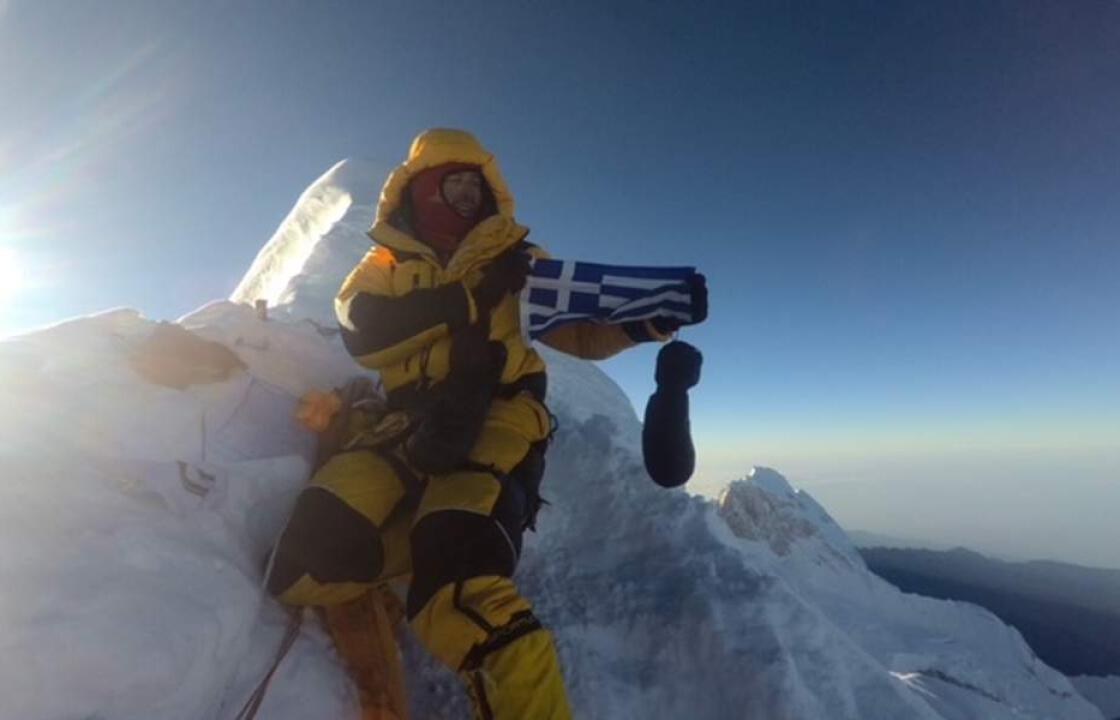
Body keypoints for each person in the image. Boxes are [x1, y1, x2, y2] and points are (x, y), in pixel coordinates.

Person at [268, 128, 706, 719]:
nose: (468, 199)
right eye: (455, 185)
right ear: (420, 191)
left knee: (460, 589)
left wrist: (646, 323)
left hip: (500, 413)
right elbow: (364, 332)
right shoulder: (382, 264)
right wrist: (467, 302)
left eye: (477, 187)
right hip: (403, 422)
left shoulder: (520, 262)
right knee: (303, 564)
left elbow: (577, 329)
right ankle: (425, 542)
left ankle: (447, 562)